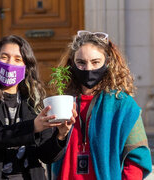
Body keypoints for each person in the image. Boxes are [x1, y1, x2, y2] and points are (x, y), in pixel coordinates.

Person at [0, 35, 76, 180]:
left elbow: (47, 157)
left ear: (26, 68)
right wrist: (32, 127)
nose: (10, 63)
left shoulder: (35, 103)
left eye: (18, 59)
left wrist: (61, 135)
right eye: (4, 57)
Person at [50, 31, 152, 180]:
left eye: (95, 62)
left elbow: (136, 157)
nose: (89, 68)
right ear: (72, 64)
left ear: (107, 62)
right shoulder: (62, 102)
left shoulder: (123, 105)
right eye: (81, 62)